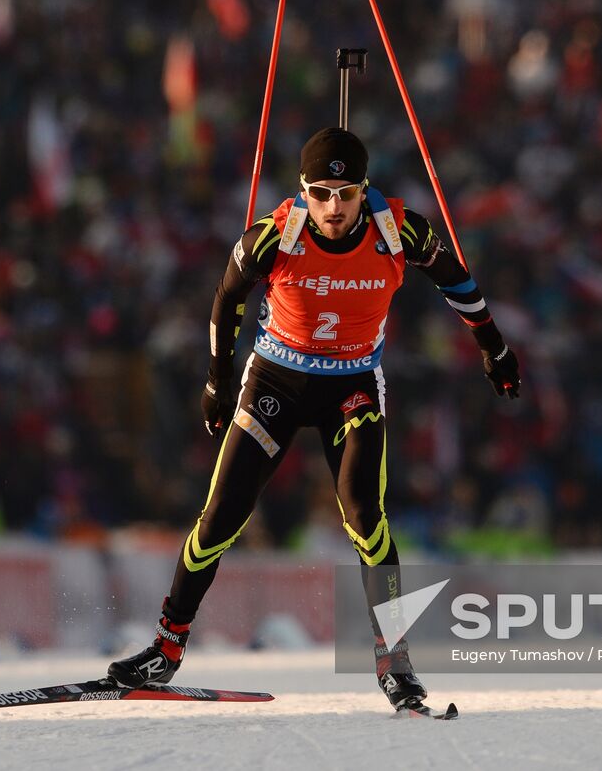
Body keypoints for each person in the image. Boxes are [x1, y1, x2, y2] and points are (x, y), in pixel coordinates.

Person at [107, 127, 522, 709]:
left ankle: (395, 661)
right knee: (220, 519)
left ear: (364, 190)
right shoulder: (275, 234)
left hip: (351, 385)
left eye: (346, 194)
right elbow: (227, 298)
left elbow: (457, 280)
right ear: (304, 191)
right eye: (321, 193)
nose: (334, 207)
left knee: (364, 517)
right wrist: (217, 382)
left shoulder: (398, 230)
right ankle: (166, 648)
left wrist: (494, 348)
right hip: (276, 382)